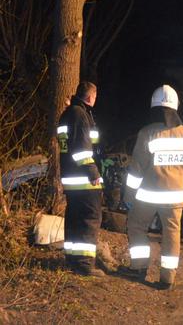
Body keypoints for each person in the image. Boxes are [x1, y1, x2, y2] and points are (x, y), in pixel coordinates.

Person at [120, 85, 183, 290]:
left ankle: (138, 268)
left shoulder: (146, 133)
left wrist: (128, 196)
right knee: (172, 234)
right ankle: (167, 278)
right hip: (175, 197)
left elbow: (136, 168)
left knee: (136, 226)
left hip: (148, 195)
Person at [57, 81, 105, 276]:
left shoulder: (67, 114)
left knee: (75, 217)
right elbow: (81, 150)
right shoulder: (79, 114)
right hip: (83, 178)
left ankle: (73, 258)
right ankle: (85, 263)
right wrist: (93, 172)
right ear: (91, 97)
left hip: (70, 176)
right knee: (90, 218)